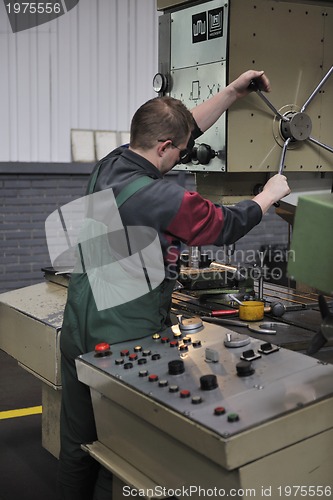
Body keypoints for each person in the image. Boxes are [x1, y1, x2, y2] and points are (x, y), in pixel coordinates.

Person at [57, 69, 291, 499]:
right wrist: (270, 194)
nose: (183, 156)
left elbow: (180, 130)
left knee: (77, 443)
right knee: (126, 449)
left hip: (78, 323)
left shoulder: (111, 162)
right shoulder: (164, 198)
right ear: (164, 146)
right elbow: (226, 224)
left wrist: (233, 92)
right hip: (123, 334)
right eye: (180, 151)